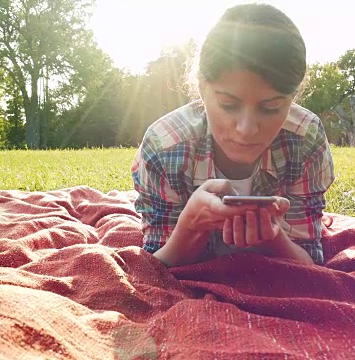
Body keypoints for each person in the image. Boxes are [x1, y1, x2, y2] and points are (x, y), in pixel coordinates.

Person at [130, 3, 335, 268]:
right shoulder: (165, 146)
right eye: (228, 104)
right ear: (202, 88)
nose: (247, 128)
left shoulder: (306, 139)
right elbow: (154, 266)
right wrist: (189, 227)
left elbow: (311, 261)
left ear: (293, 98)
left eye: (271, 107)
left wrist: (273, 238)